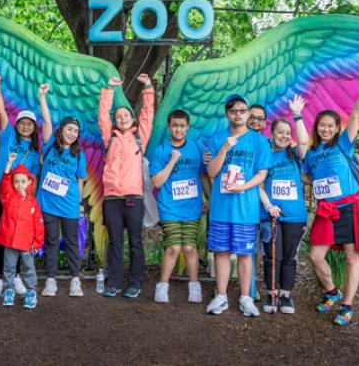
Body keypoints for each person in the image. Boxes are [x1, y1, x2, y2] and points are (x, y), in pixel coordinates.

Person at [303, 72, 359, 326]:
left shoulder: (343, 144)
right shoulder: (312, 153)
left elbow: (355, 115)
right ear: (317, 127)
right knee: (315, 255)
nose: (326, 129)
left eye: (331, 126)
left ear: (336, 128)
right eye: (322, 125)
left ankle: (347, 306)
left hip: (350, 208)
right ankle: (333, 291)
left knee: (351, 257)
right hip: (326, 210)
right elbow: (307, 178)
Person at [205, 94, 272, 316]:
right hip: (221, 207)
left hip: (246, 208)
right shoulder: (216, 139)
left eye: (242, 110)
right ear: (227, 114)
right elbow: (211, 172)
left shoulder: (259, 141)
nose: (238, 114)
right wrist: (224, 148)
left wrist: (243, 187)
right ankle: (221, 296)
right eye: (234, 111)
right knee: (221, 252)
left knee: (245, 254)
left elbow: (262, 174)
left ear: (248, 113)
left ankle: (246, 298)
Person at [98, 74, 155, 298]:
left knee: (135, 242)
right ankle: (113, 283)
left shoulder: (139, 137)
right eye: (119, 115)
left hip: (134, 198)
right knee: (114, 242)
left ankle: (135, 283)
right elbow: (103, 115)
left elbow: (148, 114)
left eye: (126, 115)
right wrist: (109, 89)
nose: (122, 118)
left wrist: (148, 88)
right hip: (112, 199)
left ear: (132, 119)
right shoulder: (109, 138)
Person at [0, 73, 41, 298]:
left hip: (20, 199)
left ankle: (15, 276)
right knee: (0, 234)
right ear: (17, 125)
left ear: (33, 127)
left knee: (20, 235)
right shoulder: (8, 136)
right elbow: (0, 112)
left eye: (29, 123)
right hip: (0, 191)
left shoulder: (35, 150)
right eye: (22, 123)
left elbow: (34, 178)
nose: (25, 126)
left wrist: (31, 200)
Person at [150, 109, 210, 304]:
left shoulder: (196, 146)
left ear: (187, 127)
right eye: (175, 125)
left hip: (192, 206)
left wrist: (209, 199)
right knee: (173, 247)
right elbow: (157, 182)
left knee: (191, 247)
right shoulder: (161, 150)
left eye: (182, 126)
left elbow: (203, 175)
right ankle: (162, 286)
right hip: (169, 206)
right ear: (169, 126)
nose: (178, 129)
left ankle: (194, 286)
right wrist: (173, 160)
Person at [258, 95, 309, 314]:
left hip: (295, 216)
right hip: (272, 215)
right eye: (280, 133)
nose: (284, 136)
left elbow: (305, 141)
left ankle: (286, 295)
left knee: (289, 256)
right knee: (272, 256)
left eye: (288, 134)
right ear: (272, 134)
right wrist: (269, 205)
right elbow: (259, 185)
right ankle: (271, 293)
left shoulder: (294, 154)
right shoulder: (266, 154)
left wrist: (297, 115)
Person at [36, 84, 88, 298]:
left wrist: (79, 204)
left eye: (76, 131)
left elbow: (80, 180)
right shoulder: (49, 145)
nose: (72, 133)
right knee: (51, 241)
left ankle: (75, 279)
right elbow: (47, 121)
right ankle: (50, 280)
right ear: (61, 130)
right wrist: (42, 96)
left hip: (69, 205)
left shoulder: (78, 154)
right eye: (69, 129)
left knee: (72, 241)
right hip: (48, 204)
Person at [0, 153, 45, 308]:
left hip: (26, 243)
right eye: (16, 182)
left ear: (29, 182)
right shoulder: (8, 197)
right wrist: (9, 164)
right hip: (10, 241)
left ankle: (31, 292)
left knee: (29, 269)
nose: (20, 184)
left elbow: (38, 224)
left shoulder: (33, 203)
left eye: (23, 181)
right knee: (9, 268)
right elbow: (4, 185)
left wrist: (37, 243)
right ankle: (8, 290)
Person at [246, 102, 269, 299]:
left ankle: (251, 286)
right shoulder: (236, 140)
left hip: (262, 206)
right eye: (251, 116)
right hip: (241, 204)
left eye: (259, 118)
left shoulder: (267, 144)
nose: (255, 121)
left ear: (264, 123)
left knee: (258, 248)